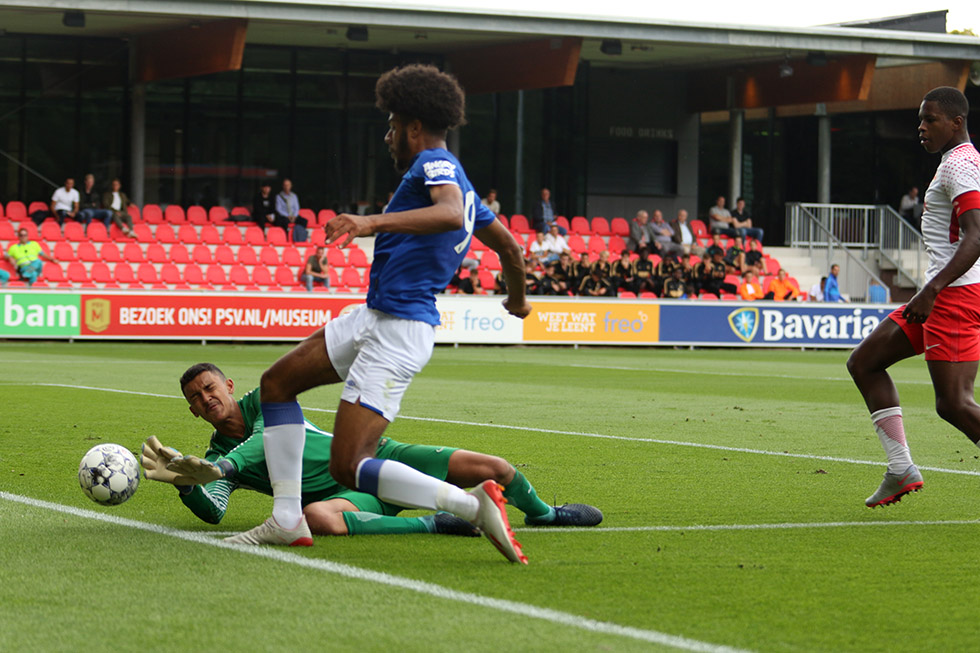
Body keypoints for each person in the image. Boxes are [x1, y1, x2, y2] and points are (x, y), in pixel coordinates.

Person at [187, 64, 532, 563]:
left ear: (414, 127)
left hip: (399, 330)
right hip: (374, 316)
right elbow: (509, 248)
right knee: (276, 385)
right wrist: (517, 298)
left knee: (350, 465)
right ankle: (287, 519)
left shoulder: (434, 163)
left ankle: (469, 505)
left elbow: (451, 212)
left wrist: (368, 220)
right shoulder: (465, 185)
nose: (388, 135)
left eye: (393, 125)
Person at [143, 364, 601, 536]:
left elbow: (265, 440)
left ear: (228, 384)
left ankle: (544, 515)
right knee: (319, 518)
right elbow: (214, 512)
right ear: (193, 412)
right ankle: (436, 522)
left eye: (210, 389)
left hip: (379, 456)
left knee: (495, 468)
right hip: (347, 497)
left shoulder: (267, 398)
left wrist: (219, 468)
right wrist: (187, 484)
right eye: (197, 400)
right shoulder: (212, 457)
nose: (207, 400)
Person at [846, 86, 980, 508]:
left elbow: (977, 235)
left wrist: (933, 290)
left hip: (953, 297)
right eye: (920, 120)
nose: (921, 128)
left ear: (956, 122)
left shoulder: (961, 164)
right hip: (940, 295)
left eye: (930, 119)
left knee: (954, 404)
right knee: (864, 363)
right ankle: (901, 467)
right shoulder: (956, 162)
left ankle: (902, 467)